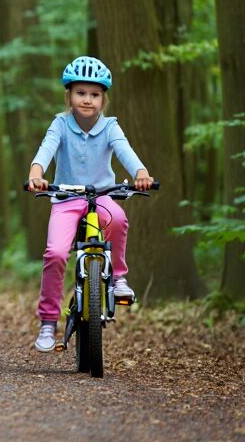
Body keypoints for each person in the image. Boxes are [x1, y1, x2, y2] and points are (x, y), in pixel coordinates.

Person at [27, 55, 154, 352]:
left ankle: (118, 278)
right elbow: (46, 149)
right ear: (69, 96)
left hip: (102, 196)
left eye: (94, 95)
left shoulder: (110, 127)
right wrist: (36, 172)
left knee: (119, 219)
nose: (87, 100)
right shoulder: (60, 124)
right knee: (56, 253)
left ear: (103, 99)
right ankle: (48, 321)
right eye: (81, 93)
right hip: (66, 199)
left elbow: (124, 150)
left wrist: (141, 173)